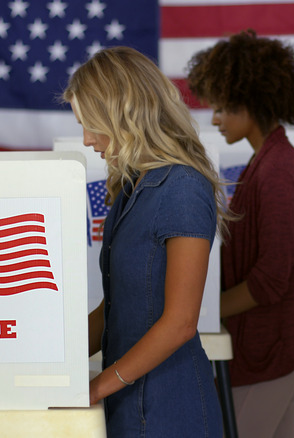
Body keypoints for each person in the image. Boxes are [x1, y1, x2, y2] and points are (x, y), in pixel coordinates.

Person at [63, 46, 228, 437]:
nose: (86, 140)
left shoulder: (183, 186)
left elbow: (180, 324)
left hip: (170, 407)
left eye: (91, 124)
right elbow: (113, 309)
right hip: (128, 399)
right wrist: (50, 365)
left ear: (124, 114)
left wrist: (96, 388)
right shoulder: (133, 187)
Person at [186, 30, 294, 437]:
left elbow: (272, 277)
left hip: (272, 346)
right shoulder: (267, 161)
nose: (213, 118)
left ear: (251, 100)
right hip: (270, 344)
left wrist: (199, 314)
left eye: (223, 107)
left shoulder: (277, 167)